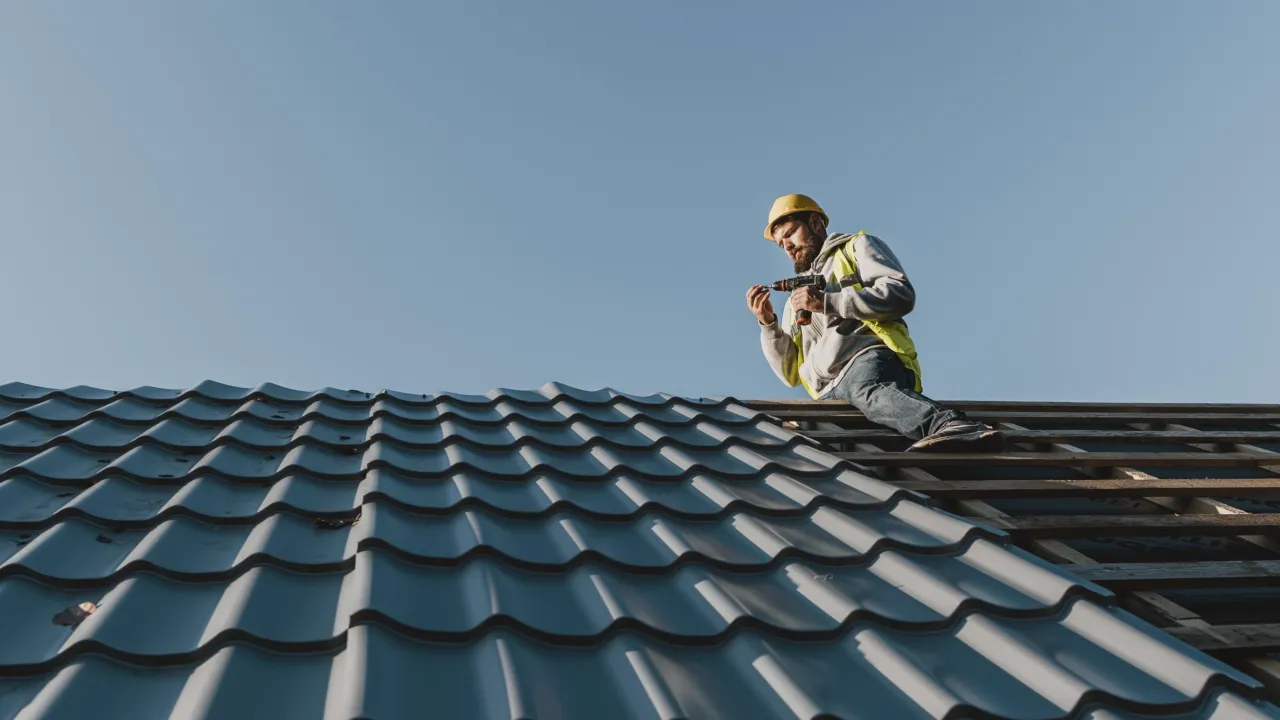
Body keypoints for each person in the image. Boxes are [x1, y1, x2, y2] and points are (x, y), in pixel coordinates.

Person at [747, 193, 1005, 452]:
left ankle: (951, 425)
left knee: (867, 390)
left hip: (865, 362)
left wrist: (827, 302)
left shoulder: (855, 248)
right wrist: (768, 324)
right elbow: (790, 374)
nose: (788, 246)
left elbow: (900, 295)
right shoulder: (795, 301)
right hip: (827, 393)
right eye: (781, 244)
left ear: (816, 223)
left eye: (791, 234)